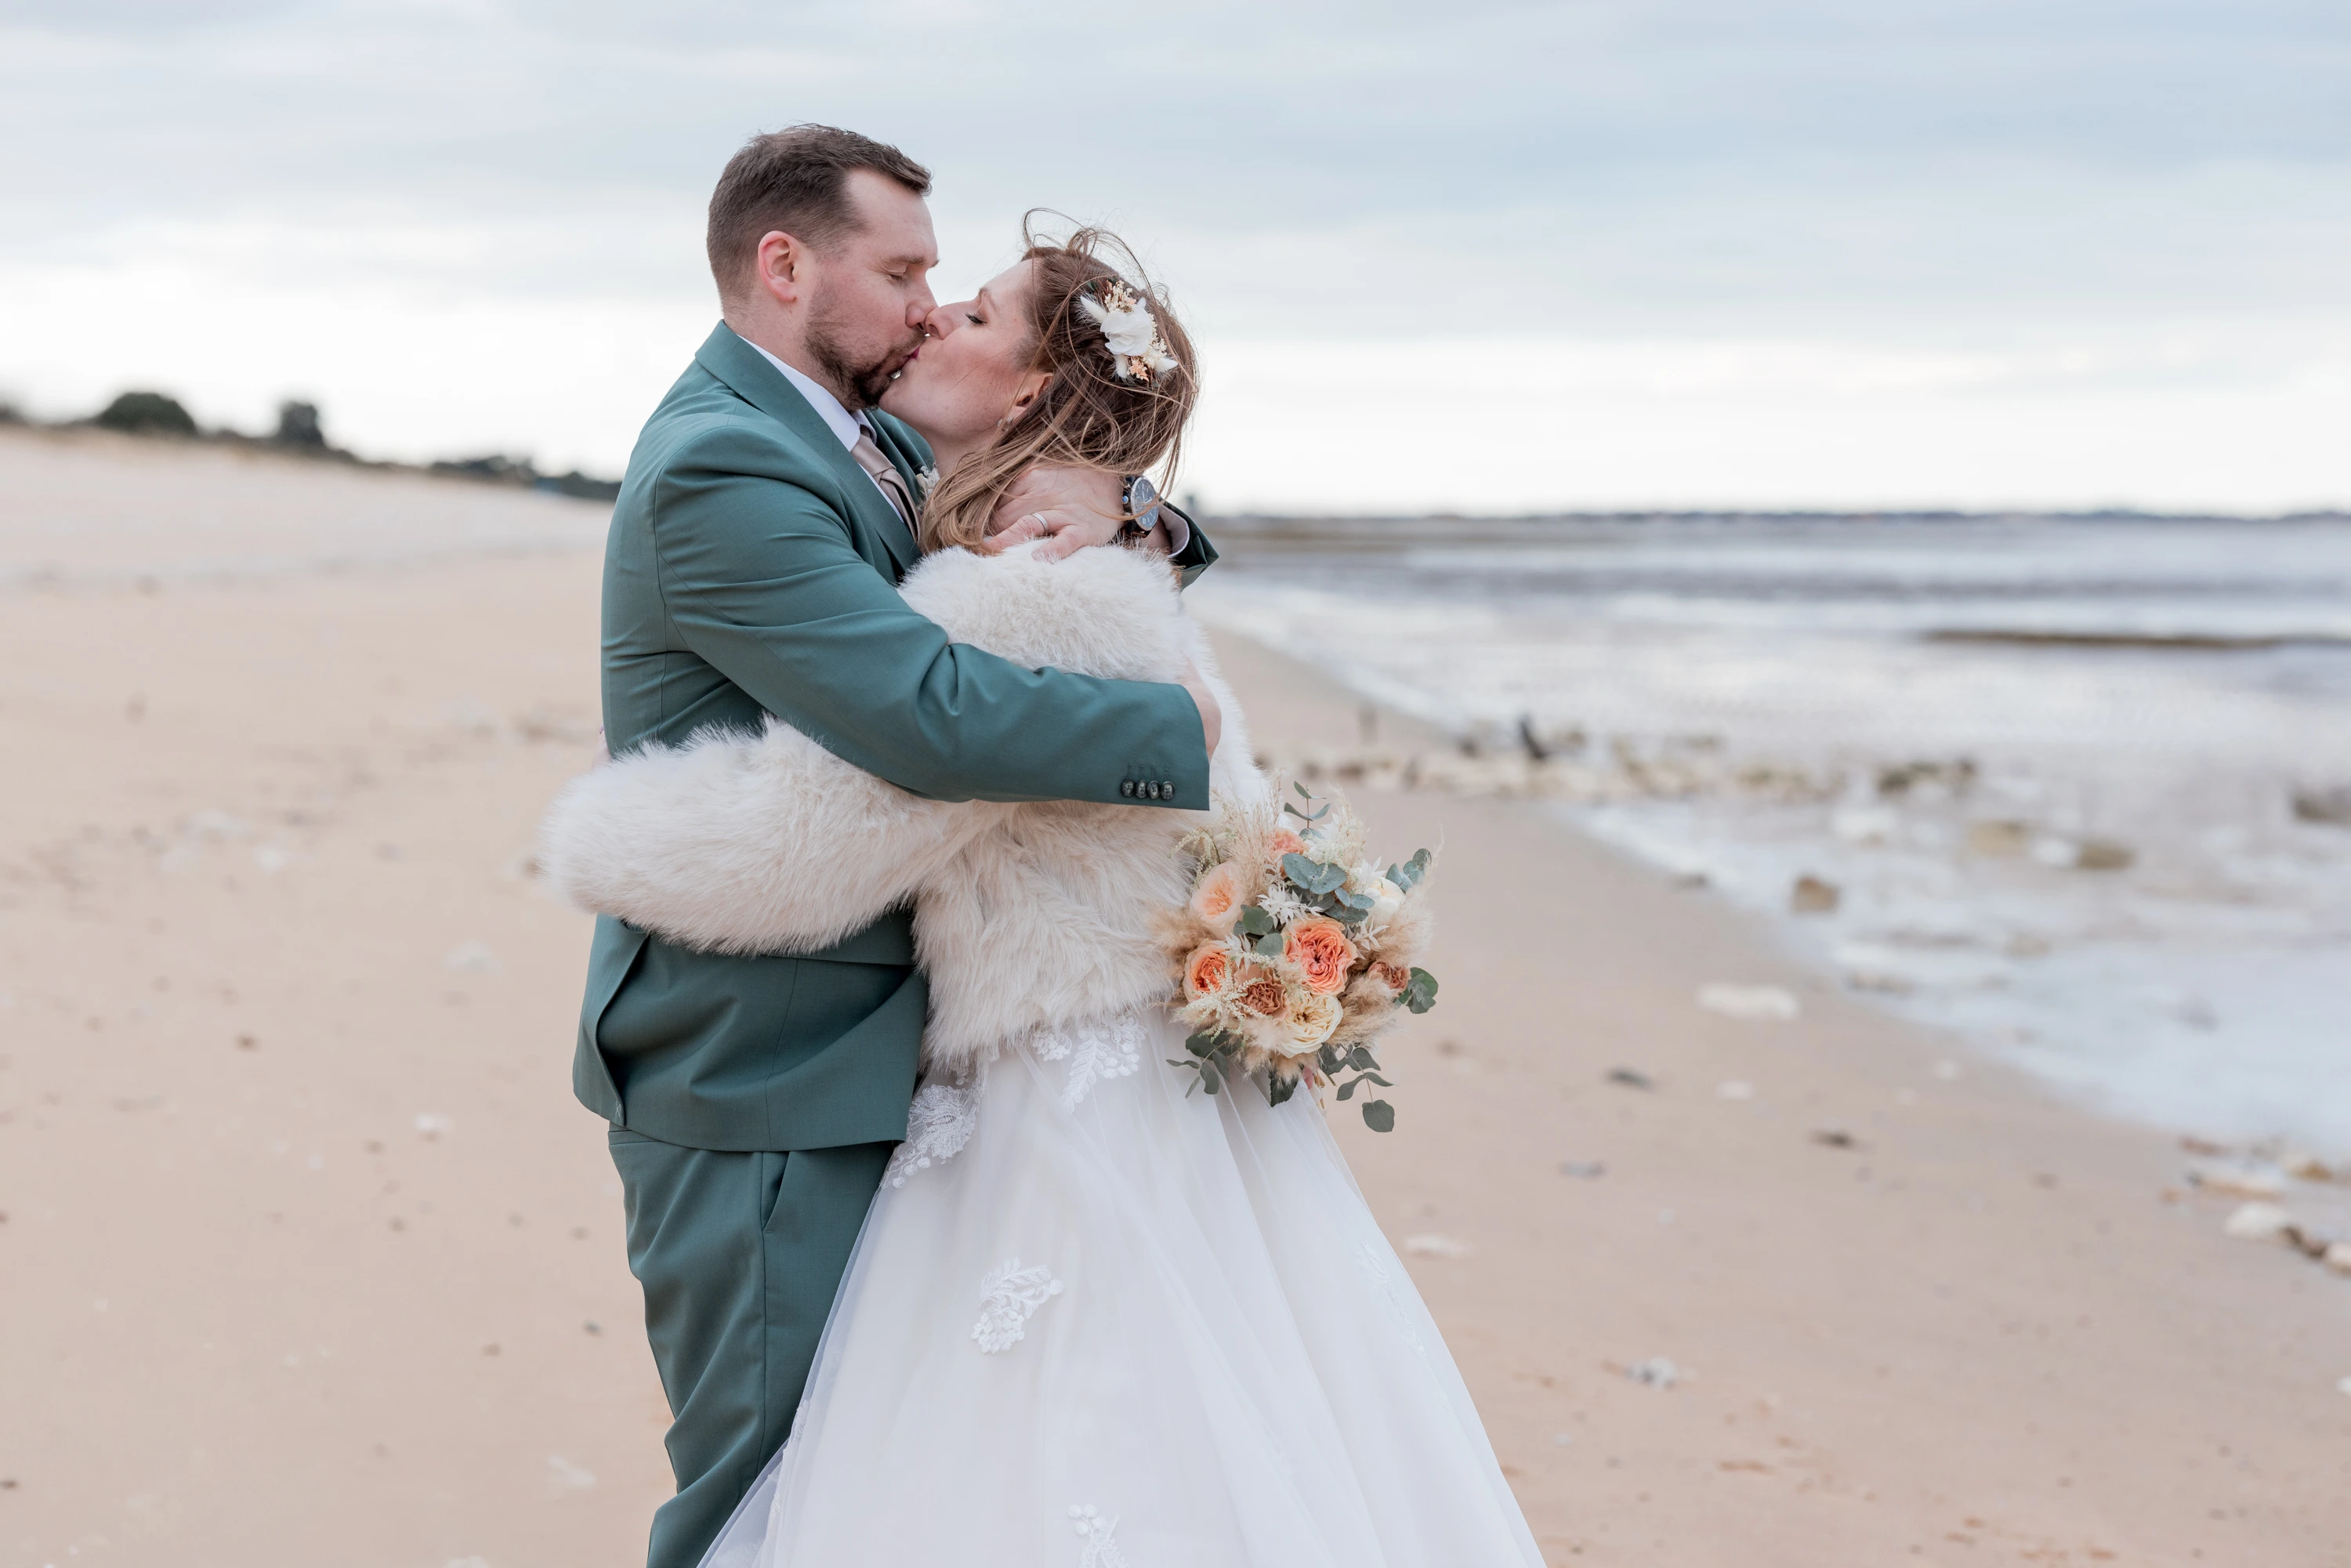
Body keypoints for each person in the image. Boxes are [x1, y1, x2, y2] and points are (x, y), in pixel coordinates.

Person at [545, 212, 1545, 1564]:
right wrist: (1133, 499)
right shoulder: (1072, 543)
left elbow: (817, 847)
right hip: (1119, 1082)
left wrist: (600, 836)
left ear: (1025, 391)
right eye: (913, 284)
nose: (928, 316)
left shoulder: (1016, 591)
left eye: (960, 310)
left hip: (1047, 1101)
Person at [577, 125, 1226, 1568]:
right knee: (760, 1496)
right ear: (784, 263)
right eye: (905, 271)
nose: (931, 306)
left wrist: (1130, 509)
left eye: (947, 282)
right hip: (763, 1063)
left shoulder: (851, 436)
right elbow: (923, 711)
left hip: (878, 1052)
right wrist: (1171, 735)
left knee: (867, 1491)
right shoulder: (725, 465)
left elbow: (1001, 510)